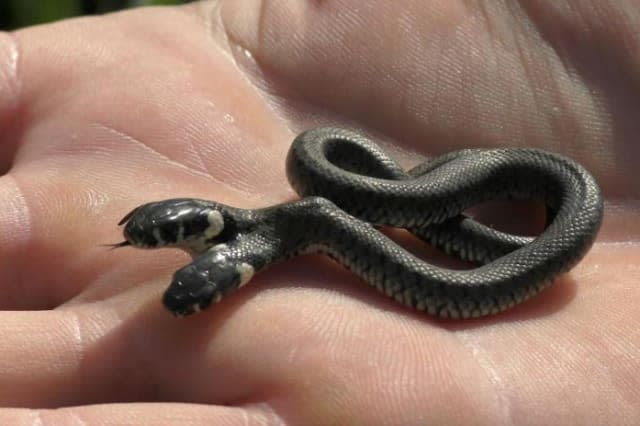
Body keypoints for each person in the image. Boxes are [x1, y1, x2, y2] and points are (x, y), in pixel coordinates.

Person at [0, 1, 636, 423]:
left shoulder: (310, 209)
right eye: (198, 290)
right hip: (385, 213)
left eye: (168, 236)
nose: (191, 294)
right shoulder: (303, 214)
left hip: (532, 210)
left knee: (389, 207)